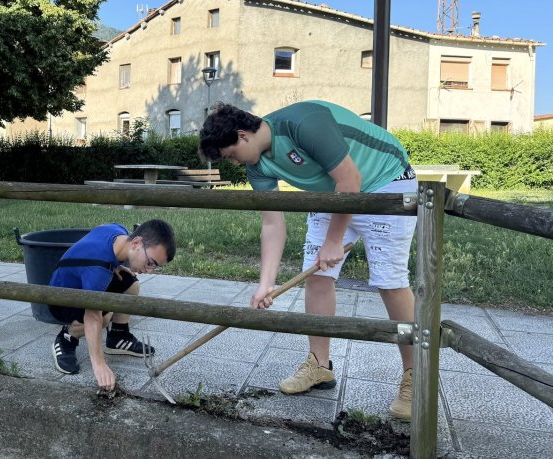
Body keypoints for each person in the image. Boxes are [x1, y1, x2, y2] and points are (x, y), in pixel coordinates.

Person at [198, 100, 417, 421]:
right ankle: (319, 365)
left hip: (386, 181)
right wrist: (265, 284)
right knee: (316, 277)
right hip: (335, 191)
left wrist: (332, 242)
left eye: (230, 154)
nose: (233, 162)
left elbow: (351, 181)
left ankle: (415, 377)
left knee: (390, 281)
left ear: (242, 135)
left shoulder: (304, 124)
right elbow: (272, 224)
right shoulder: (257, 165)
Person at [32, 219, 176, 390]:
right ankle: (67, 337)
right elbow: (92, 315)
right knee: (103, 319)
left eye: (156, 267)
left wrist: (114, 265)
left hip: (85, 279)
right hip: (61, 300)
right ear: (136, 243)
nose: (150, 270)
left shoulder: (120, 233)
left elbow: (99, 233)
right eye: (151, 263)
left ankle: (118, 336)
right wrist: (99, 364)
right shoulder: (97, 270)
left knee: (131, 284)